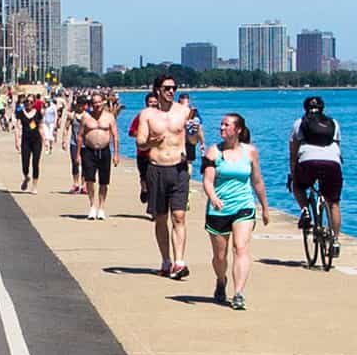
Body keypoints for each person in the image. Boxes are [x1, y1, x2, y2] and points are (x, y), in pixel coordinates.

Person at [204, 112, 269, 309]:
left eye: (226, 125)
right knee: (220, 257)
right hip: (219, 209)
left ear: (238, 130)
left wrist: (265, 207)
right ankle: (221, 280)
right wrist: (213, 197)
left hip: (243, 206)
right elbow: (207, 181)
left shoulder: (250, 152)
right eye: (221, 125)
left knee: (240, 248)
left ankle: (239, 292)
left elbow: (257, 181)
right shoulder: (213, 152)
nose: (222, 128)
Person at [133, 75, 195, 278]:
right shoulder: (147, 115)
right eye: (167, 88)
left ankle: (179, 262)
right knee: (160, 218)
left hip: (178, 169)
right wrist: (153, 141)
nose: (171, 91)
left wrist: (195, 134)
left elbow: (192, 138)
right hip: (156, 168)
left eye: (174, 88)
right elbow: (140, 142)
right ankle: (166, 261)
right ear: (158, 90)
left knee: (179, 216)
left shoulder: (184, 112)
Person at [287, 95, 343, 255]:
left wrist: (293, 173)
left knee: (298, 186)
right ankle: (335, 241)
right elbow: (338, 148)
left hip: (307, 161)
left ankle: (305, 210)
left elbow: (293, 152)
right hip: (332, 163)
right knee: (334, 203)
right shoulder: (334, 123)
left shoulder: (299, 123)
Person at [78, 94, 118, 219]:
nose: (97, 105)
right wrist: (78, 154)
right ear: (92, 104)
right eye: (95, 103)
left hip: (104, 151)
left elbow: (115, 136)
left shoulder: (109, 117)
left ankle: (101, 207)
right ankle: (92, 206)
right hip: (89, 151)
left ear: (103, 102)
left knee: (104, 182)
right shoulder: (86, 117)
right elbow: (80, 136)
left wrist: (116, 154)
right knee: (89, 180)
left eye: (99, 102)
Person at [19, 96, 45, 191]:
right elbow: (18, 127)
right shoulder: (21, 113)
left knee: (35, 163)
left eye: (30, 102)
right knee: (25, 163)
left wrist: (45, 141)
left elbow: (41, 127)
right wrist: (17, 140)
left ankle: (34, 186)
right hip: (25, 141)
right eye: (26, 101)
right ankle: (26, 177)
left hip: (36, 141)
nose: (28, 103)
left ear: (34, 103)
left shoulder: (38, 114)